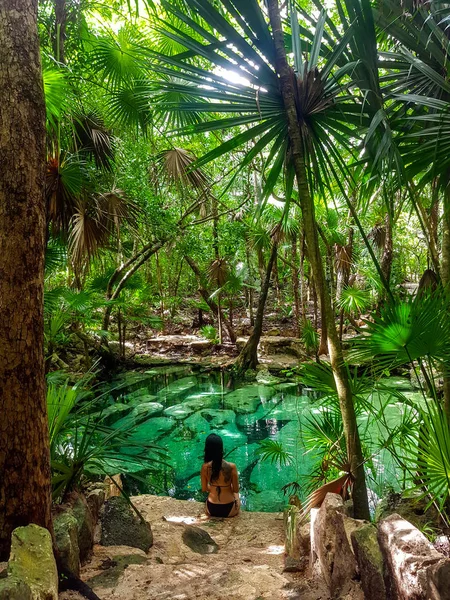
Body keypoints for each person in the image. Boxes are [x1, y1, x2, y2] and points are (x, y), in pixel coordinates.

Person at [201, 433, 240, 518]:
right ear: (221, 449)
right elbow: (236, 490)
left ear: (207, 449)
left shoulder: (204, 467)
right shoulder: (232, 467)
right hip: (229, 509)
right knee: (236, 495)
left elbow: (204, 489)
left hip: (211, 508)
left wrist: (213, 487)